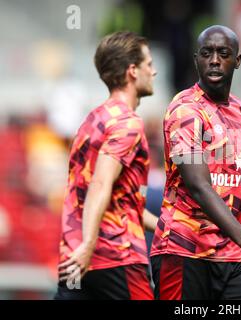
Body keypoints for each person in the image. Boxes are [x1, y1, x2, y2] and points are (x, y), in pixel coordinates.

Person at [150, 25, 241, 300]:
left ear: (237, 60)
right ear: (196, 59)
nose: (214, 60)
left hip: (234, 255)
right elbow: (198, 186)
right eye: (206, 53)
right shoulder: (185, 109)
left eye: (223, 53)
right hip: (184, 251)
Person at [55, 31, 159, 300]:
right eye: (149, 64)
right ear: (133, 71)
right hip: (117, 255)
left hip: (76, 257)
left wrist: (167, 228)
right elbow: (101, 183)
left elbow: (122, 202)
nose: (154, 71)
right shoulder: (128, 123)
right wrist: (90, 244)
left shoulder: (91, 120)